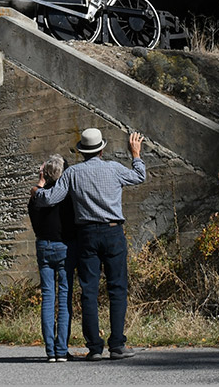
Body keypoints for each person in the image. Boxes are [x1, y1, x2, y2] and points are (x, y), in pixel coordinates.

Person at [30, 128, 146, 360]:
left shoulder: (72, 174)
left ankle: (94, 347)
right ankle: (116, 345)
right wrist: (136, 154)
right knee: (117, 289)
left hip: (86, 236)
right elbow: (139, 176)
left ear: (82, 151)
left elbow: (51, 199)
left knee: (89, 291)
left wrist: (37, 191)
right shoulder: (113, 168)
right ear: (102, 149)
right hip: (113, 233)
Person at [28, 154, 76, 362]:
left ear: (45, 173)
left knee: (48, 297)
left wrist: (40, 179)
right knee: (64, 297)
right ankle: (61, 349)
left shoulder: (37, 197)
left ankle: (50, 350)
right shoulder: (66, 196)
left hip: (43, 246)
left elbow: (36, 196)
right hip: (63, 246)